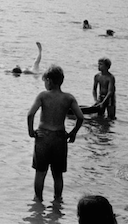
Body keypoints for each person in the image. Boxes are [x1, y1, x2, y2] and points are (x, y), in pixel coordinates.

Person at [27, 65, 84, 202]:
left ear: (49, 80)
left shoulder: (43, 96)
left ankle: (38, 200)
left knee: (40, 173)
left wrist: (30, 131)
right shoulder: (68, 98)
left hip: (43, 137)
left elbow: (30, 114)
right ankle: (57, 201)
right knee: (57, 174)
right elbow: (81, 117)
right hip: (59, 138)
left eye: (45, 81)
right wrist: (73, 133)